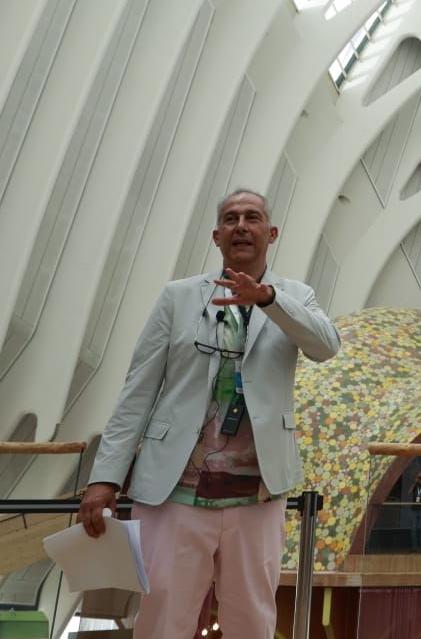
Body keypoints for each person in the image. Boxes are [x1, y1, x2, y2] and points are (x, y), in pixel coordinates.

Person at [77, 189, 341, 639]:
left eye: (253, 217)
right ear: (217, 235)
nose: (242, 225)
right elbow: (137, 391)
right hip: (173, 491)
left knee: (252, 619)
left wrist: (268, 299)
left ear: (271, 233)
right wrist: (105, 477)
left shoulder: (295, 297)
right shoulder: (177, 298)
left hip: (257, 494)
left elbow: (325, 345)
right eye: (231, 218)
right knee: (164, 614)